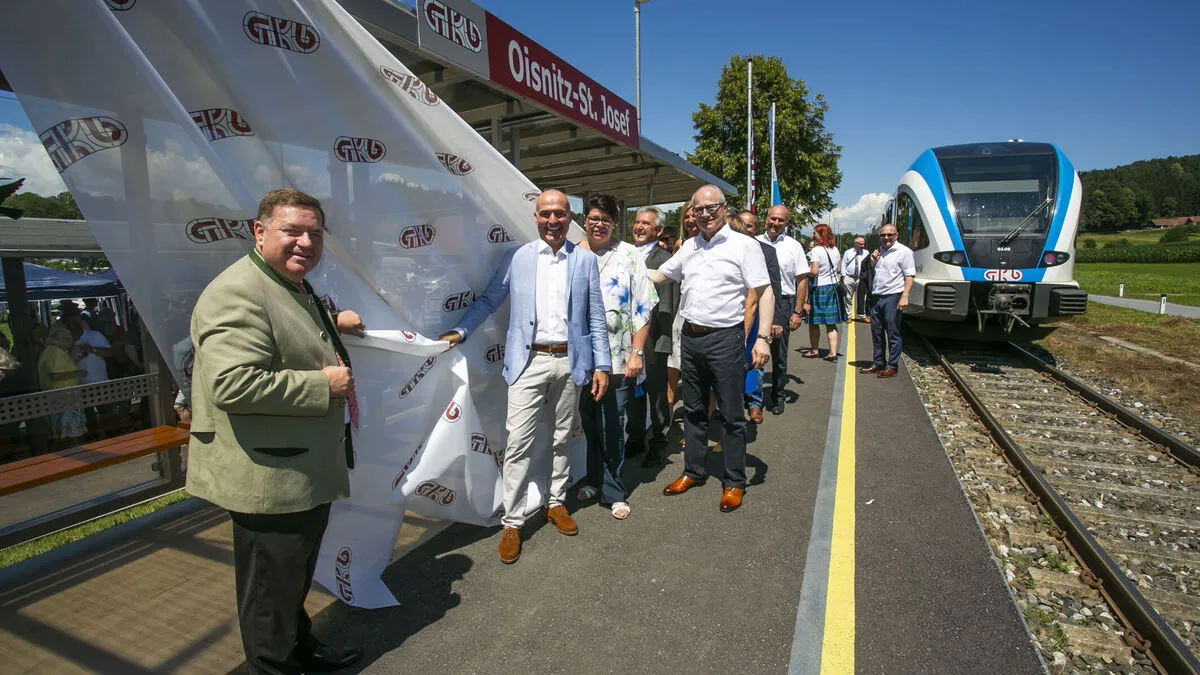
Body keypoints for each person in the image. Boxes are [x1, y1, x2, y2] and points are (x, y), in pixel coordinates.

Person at [187, 188, 365, 674]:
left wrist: (335, 321)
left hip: (298, 468)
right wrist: (321, 384)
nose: (305, 242)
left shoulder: (291, 284)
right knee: (270, 590)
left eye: (314, 233)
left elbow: (285, 335)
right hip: (269, 476)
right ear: (259, 232)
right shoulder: (237, 292)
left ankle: (297, 647)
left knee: (291, 578)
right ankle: (274, 663)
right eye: (293, 231)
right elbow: (230, 383)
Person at [439, 189, 610, 563]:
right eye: (546, 214)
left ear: (570, 217)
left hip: (570, 362)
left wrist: (603, 365)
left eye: (560, 214)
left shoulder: (584, 261)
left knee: (563, 436)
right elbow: (489, 300)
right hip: (527, 363)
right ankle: (513, 521)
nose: (552, 220)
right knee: (518, 442)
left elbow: (595, 316)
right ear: (535, 217)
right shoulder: (516, 257)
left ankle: (556, 502)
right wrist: (461, 331)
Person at [649, 185, 772, 513]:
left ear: (723, 208)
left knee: (731, 414)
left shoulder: (744, 245)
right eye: (698, 209)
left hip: (725, 339)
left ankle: (734, 481)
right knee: (694, 409)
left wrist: (762, 338)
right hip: (691, 339)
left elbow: (765, 291)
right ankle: (694, 471)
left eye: (710, 208)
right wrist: (624, 264)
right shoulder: (689, 246)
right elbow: (661, 275)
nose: (704, 214)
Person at [573, 194, 656, 519]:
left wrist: (637, 352)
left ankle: (614, 490)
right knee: (590, 422)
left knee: (612, 424)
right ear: (585, 220)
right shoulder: (574, 255)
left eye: (605, 219)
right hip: (582, 359)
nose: (599, 223)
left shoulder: (630, 255)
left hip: (620, 358)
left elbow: (642, 306)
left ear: (615, 222)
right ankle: (594, 479)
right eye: (593, 217)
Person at [626, 206, 678, 468]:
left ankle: (659, 442)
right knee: (634, 391)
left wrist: (663, 342)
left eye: (646, 224)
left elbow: (667, 304)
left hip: (654, 337)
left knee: (656, 394)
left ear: (658, 230)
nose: (639, 227)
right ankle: (635, 438)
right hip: (628, 339)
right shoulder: (624, 254)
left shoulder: (664, 260)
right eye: (637, 222)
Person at [733, 210, 787, 424]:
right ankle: (734, 402)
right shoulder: (728, 248)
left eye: (750, 226)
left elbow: (774, 286)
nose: (746, 229)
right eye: (742, 225)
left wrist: (776, 319)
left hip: (757, 314)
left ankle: (755, 404)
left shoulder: (765, 251)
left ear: (756, 228)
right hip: (735, 313)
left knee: (755, 358)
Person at [754, 205, 807, 415]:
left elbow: (801, 281)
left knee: (778, 355)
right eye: (772, 219)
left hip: (783, 303)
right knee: (753, 350)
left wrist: (797, 311)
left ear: (786, 223)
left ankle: (777, 396)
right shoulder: (754, 243)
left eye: (780, 220)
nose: (775, 223)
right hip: (756, 303)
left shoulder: (794, 246)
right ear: (766, 219)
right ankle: (753, 400)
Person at [861, 223, 915, 378]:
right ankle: (878, 362)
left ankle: (892, 366)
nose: (886, 238)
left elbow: (910, 275)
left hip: (893, 296)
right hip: (877, 296)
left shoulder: (904, 252)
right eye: (883, 235)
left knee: (893, 333)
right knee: (876, 332)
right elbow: (873, 274)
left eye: (889, 235)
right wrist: (873, 261)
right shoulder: (878, 252)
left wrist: (905, 296)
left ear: (896, 235)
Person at [666, 201, 697, 417]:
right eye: (687, 215)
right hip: (681, 312)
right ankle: (667, 413)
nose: (691, 219)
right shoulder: (680, 244)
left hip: (704, 316)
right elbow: (668, 276)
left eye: (695, 214)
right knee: (672, 363)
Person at [37, 322, 87, 449]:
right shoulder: (53, 352)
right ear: (57, 340)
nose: (71, 342)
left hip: (67, 396)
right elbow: (55, 376)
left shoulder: (60, 352)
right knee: (65, 432)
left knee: (70, 431)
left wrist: (76, 360)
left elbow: (63, 369)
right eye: (67, 339)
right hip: (62, 397)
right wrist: (78, 372)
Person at [802, 224, 843, 362]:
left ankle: (814, 350)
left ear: (821, 234)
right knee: (830, 323)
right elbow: (838, 269)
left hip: (819, 288)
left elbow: (814, 271)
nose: (812, 236)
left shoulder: (817, 250)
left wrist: (803, 270)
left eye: (815, 233)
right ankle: (833, 353)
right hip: (831, 287)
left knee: (814, 322)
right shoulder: (835, 249)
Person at [841, 236, 869, 321]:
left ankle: (862, 315)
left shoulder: (866, 252)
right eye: (860, 244)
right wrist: (843, 276)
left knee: (862, 297)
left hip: (861, 278)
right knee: (848, 297)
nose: (863, 246)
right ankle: (849, 316)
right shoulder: (848, 252)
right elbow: (843, 264)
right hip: (849, 277)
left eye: (863, 244)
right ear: (855, 244)